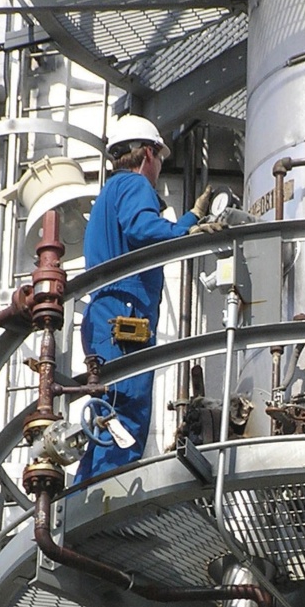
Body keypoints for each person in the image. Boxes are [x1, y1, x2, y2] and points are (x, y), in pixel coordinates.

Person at [75, 115, 214, 482]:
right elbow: (143, 228)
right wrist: (190, 230)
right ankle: (107, 499)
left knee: (109, 410)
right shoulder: (135, 184)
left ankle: (80, 501)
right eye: (160, 161)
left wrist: (190, 218)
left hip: (102, 316)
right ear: (148, 153)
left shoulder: (108, 194)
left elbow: (135, 231)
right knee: (127, 411)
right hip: (124, 314)